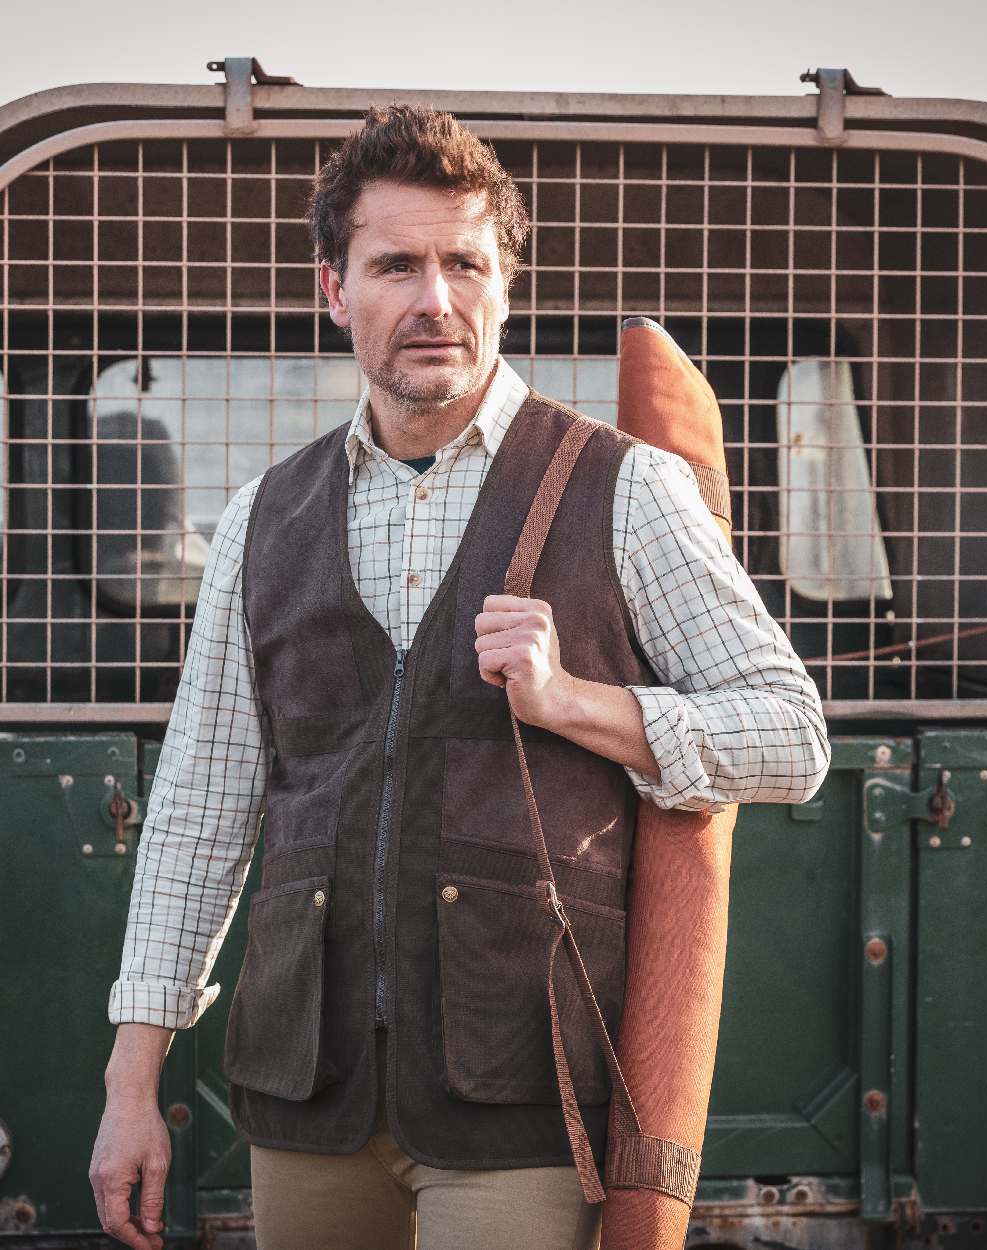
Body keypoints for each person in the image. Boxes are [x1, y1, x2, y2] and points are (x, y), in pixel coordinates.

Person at [89, 104, 831, 1250]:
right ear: (335, 290)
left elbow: (791, 735)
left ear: (504, 282)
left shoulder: (623, 488)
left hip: (521, 1091)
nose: (435, 299)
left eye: (464, 263)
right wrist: (130, 1084)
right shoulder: (260, 518)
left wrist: (575, 701)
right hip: (306, 1097)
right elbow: (198, 810)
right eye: (396, 264)